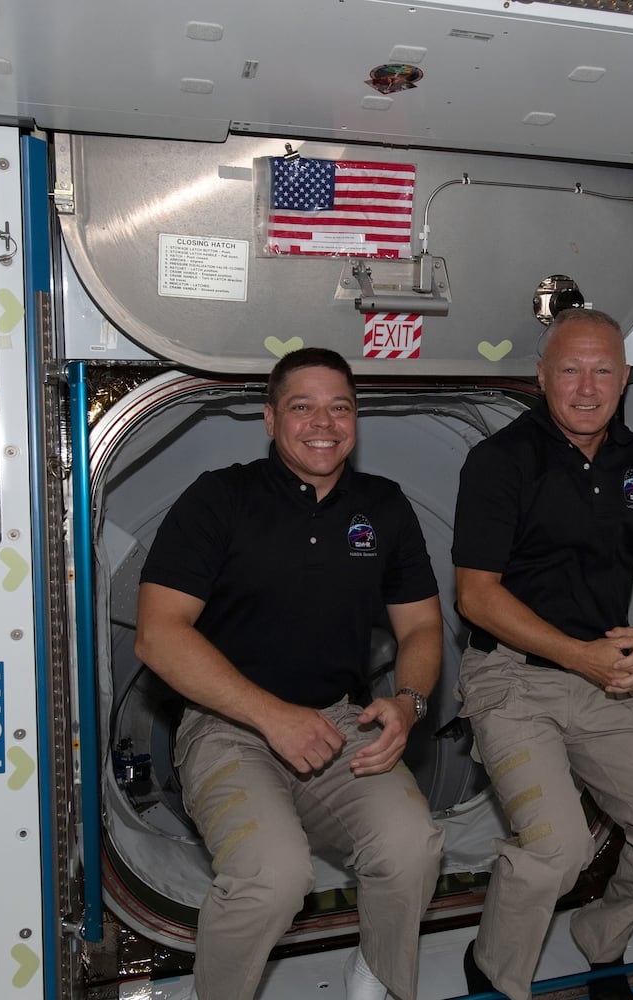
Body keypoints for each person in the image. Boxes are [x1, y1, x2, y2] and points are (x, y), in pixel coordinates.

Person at [135, 347, 444, 1000]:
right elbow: (159, 636)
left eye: (340, 407)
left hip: (339, 720)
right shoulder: (220, 499)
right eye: (302, 406)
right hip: (226, 727)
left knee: (412, 846)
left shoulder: (384, 508)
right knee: (272, 875)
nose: (323, 423)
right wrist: (272, 717)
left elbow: (420, 628)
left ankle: (378, 980)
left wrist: (409, 702)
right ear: (271, 419)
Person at [452, 309, 633, 1000]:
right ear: (542, 378)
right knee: (556, 850)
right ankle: (494, 971)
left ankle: (602, 934)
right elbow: (476, 598)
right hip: (512, 676)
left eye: (604, 369)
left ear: (626, 377)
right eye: (569, 369)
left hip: (609, 675)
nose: (587, 386)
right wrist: (579, 656)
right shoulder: (500, 462)